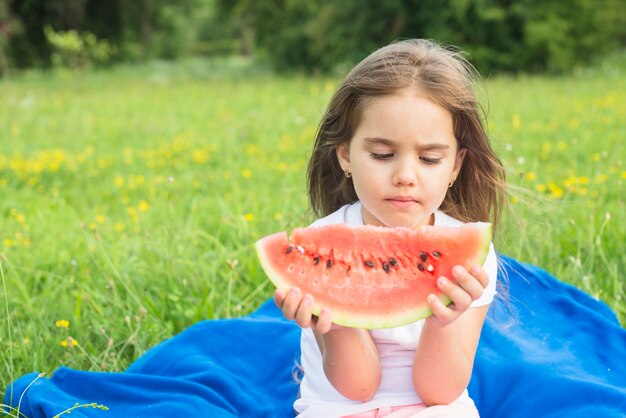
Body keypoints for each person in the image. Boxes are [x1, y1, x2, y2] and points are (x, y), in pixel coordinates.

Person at [274, 39, 507, 418]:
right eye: (382, 155)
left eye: (430, 158)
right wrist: (333, 321)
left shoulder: (471, 257)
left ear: (455, 167)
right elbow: (358, 387)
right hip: (338, 407)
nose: (405, 177)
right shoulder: (319, 247)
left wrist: (443, 320)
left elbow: (440, 392)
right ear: (346, 155)